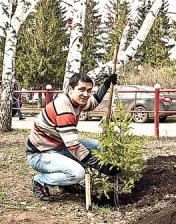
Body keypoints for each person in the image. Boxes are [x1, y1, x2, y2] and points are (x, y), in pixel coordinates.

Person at [26, 73, 120, 201]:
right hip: (40, 154)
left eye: (88, 90)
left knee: (96, 146)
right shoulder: (64, 108)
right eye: (81, 89)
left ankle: (66, 183)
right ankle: (41, 181)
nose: (86, 94)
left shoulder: (76, 101)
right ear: (70, 89)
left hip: (59, 147)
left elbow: (92, 103)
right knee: (77, 173)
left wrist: (106, 84)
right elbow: (74, 146)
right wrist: (100, 166)